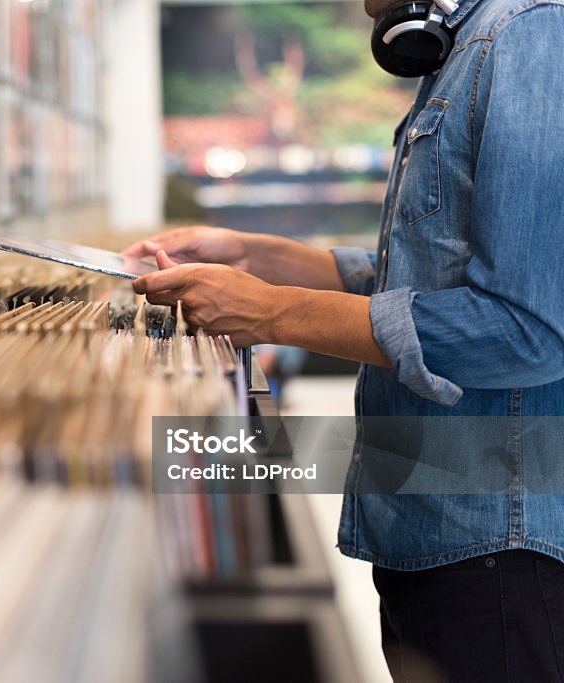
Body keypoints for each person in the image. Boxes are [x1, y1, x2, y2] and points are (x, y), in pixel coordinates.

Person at [125, 0, 564, 679]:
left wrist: (274, 313)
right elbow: (426, 272)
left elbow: (526, 329)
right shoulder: (468, 47)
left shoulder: (529, 34)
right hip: (442, 530)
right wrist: (256, 255)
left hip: (497, 548)